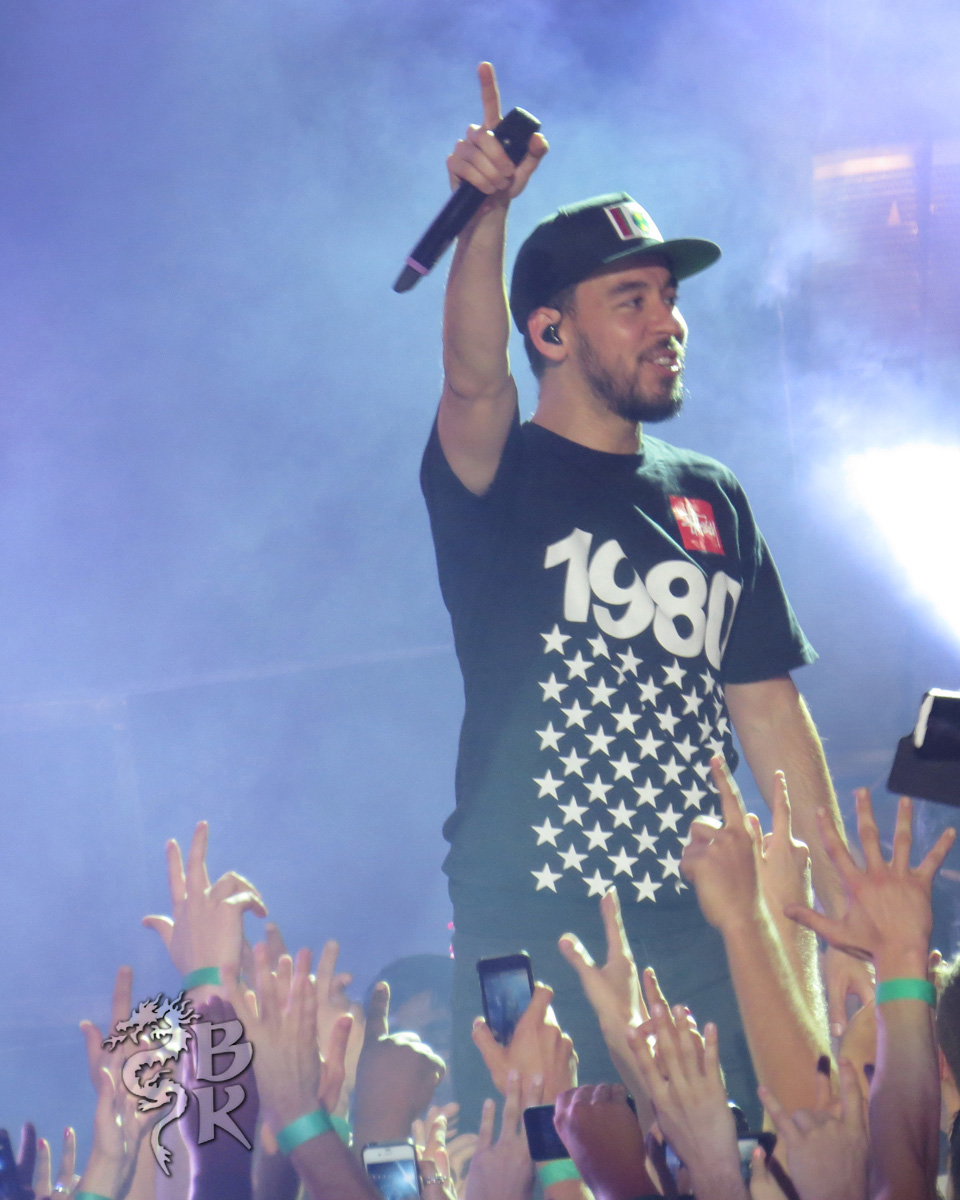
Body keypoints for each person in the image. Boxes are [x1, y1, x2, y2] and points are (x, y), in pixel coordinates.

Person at [419, 62, 871, 1126]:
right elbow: (473, 378)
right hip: (529, 920)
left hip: (705, 923)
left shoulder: (711, 497)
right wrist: (487, 216)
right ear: (551, 332)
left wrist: (841, 907)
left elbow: (772, 716)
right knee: (548, 1170)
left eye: (670, 298)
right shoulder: (502, 473)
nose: (668, 321)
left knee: (746, 1161)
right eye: (632, 301)